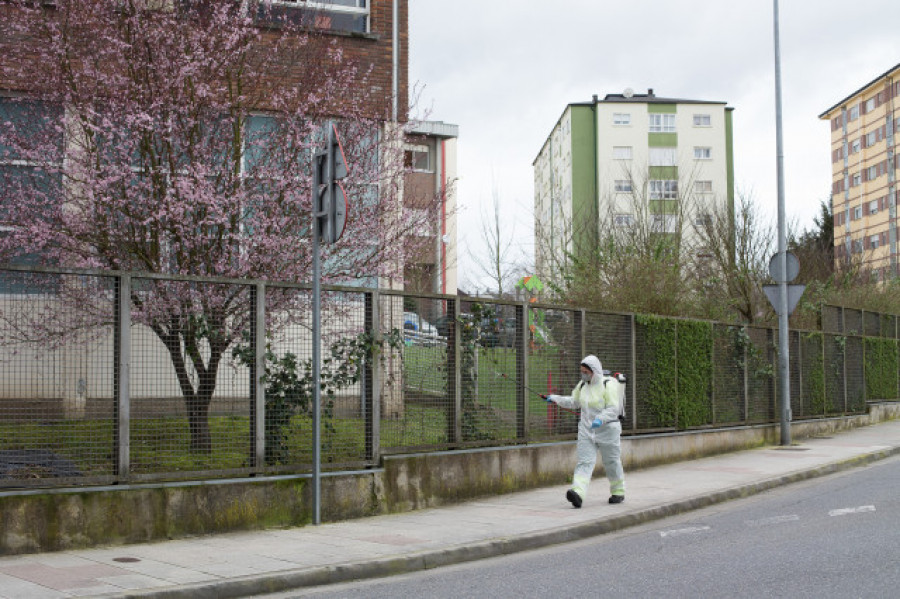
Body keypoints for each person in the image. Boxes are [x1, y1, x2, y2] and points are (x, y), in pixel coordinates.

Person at [542, 355, 625, 508]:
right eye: (582, 371)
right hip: (587, 430)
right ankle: (578, 493)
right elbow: (573, 402)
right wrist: (554, 398)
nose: (583, 374)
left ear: (594, 371)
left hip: (608, 430)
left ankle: (618, 490)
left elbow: (614, 408)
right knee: (584, 462)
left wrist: (601, 419)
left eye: (586, 371)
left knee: (611, 462)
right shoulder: (582, 386)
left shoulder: (608, 385)